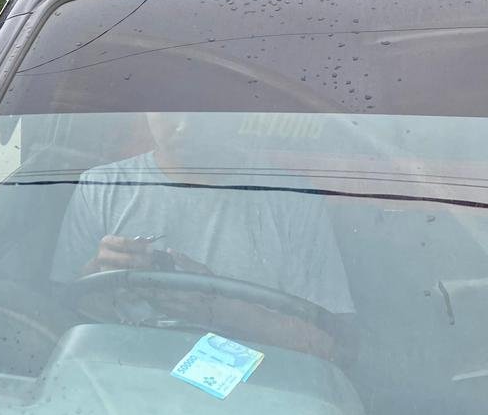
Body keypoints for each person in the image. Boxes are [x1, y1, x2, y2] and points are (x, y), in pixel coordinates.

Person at [52, 111, 356, 356]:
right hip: (119, 383)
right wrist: (98, 273)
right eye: (170, 106)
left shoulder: (292, 199)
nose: (185, 125)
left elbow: (332, 347)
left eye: (204, 111)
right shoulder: (101, 186)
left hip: (257, 398)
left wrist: (220, 309)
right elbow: (55, 319)